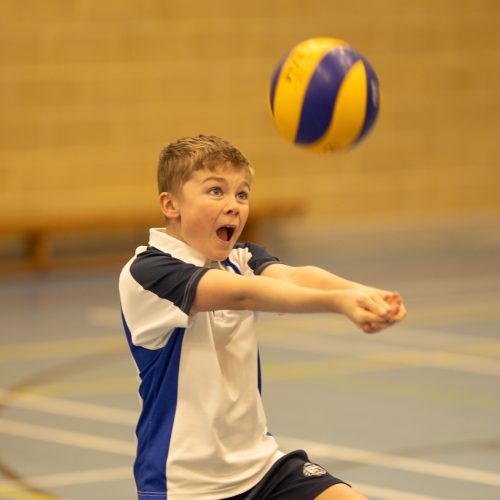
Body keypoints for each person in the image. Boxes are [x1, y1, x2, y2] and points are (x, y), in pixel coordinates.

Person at [119, 135, 406, 500]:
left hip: (262, 468)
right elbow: (243, 294)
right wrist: (338, 303)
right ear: (170, 204)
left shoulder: (240, 258)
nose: (234, 206)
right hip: (186, 486)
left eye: (242, 194)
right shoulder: (148, 272)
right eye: (215, 191)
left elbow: (293, 275)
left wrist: (363, 293)